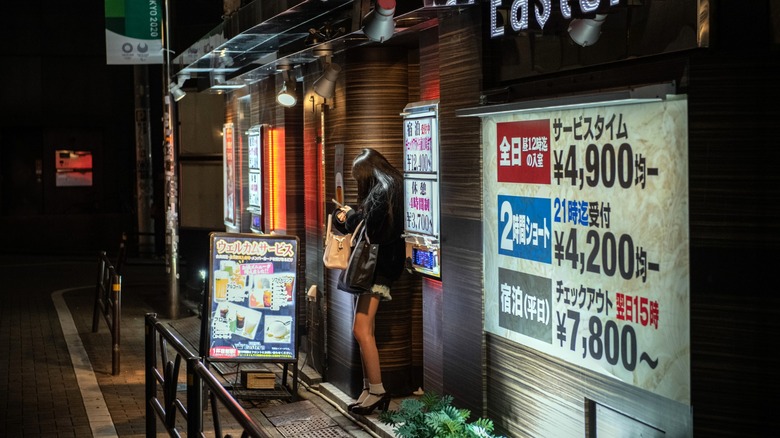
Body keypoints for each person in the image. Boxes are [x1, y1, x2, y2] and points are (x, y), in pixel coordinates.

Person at [333, 148, 405, 415]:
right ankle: (368, 388)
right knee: (365, 330)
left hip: (376, 269)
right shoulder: (394, 187)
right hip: (383, 267)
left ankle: (377, 390)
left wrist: (346, 216)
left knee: (361, 330)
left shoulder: (381, 194)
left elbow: (370, 229)